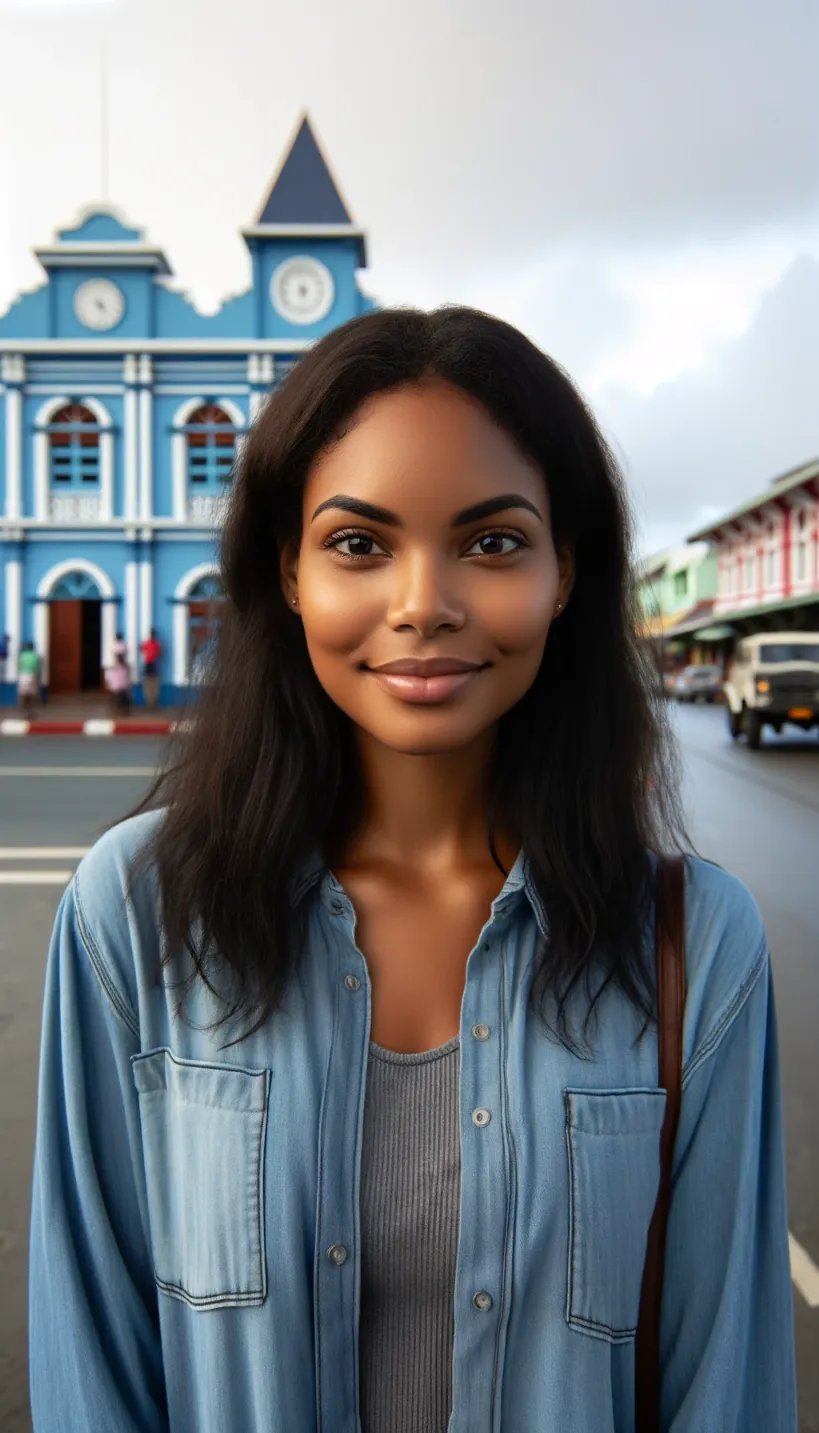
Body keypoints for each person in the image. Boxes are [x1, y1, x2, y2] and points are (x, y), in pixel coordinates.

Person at [29, 308, 797, 1432]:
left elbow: (725, 1383)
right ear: (286, 570)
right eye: (358, 543)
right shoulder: (136, 915)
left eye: (491, 541)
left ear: (565, 570)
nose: (423, 601)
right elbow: (90, 1363)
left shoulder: (696, 945)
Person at [139, 628, 162, 709]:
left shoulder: (147, 643)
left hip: (148, 664)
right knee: (153, 684)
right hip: (153, 664)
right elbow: (159, 653)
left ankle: (150, 702)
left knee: (148, 684)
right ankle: (152, 703)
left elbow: (140, 648)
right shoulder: (156, 644)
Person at [17, 640, 40, 718]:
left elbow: (19, 665)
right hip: (32, 676)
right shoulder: (35, 656)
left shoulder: (22, 655)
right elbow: (37, 668)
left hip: (23, 676)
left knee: (22, 694)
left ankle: (24, 711)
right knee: (32, 695)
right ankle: (31, 713)